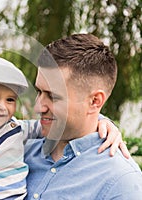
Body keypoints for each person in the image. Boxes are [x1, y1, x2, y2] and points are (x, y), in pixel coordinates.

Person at [0, 55, 129, 200]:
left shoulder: (15, 129)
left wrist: (101, 121)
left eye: (10, 99)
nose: (38, 107)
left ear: (95, 101)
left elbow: (39, 126)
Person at [25, 33, 142, 199]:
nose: (38, 107)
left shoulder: (122, 182)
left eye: (53, 96)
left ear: (95, 101)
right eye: (39, 92)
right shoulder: (18, 147)